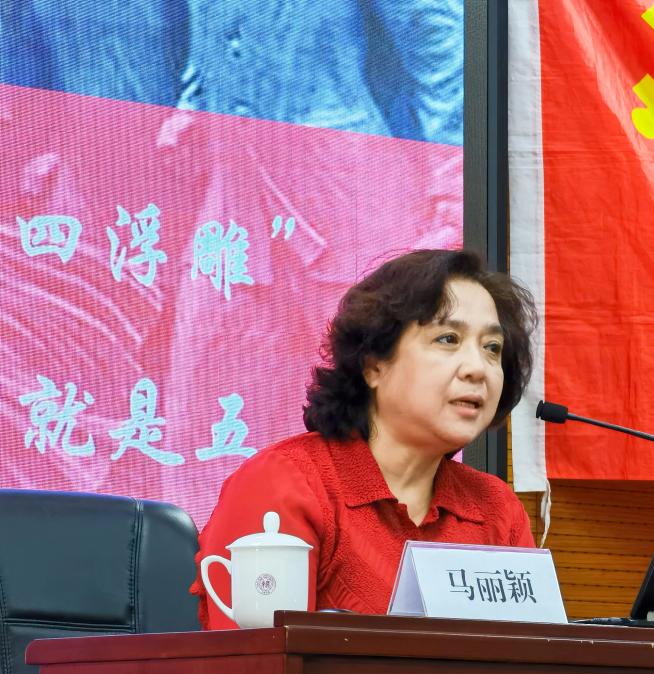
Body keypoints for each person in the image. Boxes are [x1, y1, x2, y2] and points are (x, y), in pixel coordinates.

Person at [191, 249, 538, 628]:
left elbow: (529, 657)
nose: (477, 368)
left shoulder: (495, 510)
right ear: (374, 365)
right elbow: (256, 659)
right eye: (448, 339)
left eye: (492, 348)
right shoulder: (286, 485)